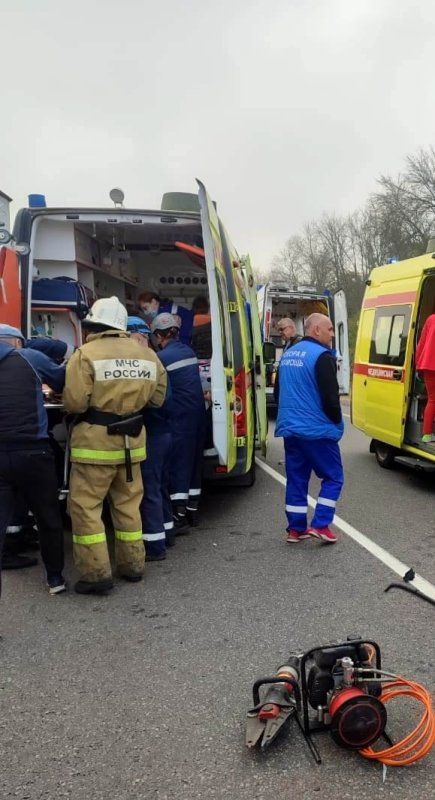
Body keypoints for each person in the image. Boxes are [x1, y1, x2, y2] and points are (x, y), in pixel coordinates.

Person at [63, 297, 167, 595]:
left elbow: (74, 402)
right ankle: (132, 566)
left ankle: (96, 575)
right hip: (132, 445)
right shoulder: (148, 355)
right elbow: (158, 399)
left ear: (95, 324)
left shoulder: (85, 354)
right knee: (128, 506)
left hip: (93, 445)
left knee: (86, 508)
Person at [0, 324, 66, 595]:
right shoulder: (29, 357)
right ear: (17, 342)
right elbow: (62, 380)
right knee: (48, 515)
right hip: (32, 451)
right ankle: (55, 579)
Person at [275, 313, 344, 545]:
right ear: (316, 330)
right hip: (316, 430)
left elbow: (278, 393)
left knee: (296, 479)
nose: (332, 334)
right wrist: (336, 422)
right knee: (333, 477)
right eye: (330, 329)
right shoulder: (322, 356)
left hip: (290, 429)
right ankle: (321, 524)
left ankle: (296, 529)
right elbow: (331, 397)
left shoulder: (288, 355)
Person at [151, 312, 206, 530]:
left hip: (179, 417)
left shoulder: (161, 358)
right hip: (197, 415)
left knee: (178, 464)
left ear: (158, 335)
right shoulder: (188, 352)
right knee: (194, 462)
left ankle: (179, 514)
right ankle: (193, 509)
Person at [127, 316, 174, 561]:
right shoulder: (155, 359)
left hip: (152, 433)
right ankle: (167, 534)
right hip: (164, 432)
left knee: (149, 490)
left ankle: (155, 546)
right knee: (161, 487)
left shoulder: (142, 362)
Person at [273, 318, 303, 405]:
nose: (280, 332)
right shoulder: (288, 344)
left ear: (291, 327)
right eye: (279, 330)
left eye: (282, 329)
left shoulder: (300, 343)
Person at [416, 313, 435, 443]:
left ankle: (427, 435)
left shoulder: (430, 319)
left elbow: (421, 344)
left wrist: (418, 365)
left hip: (428, 365)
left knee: (432, 400)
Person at [191, 295, 212, 359]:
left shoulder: (193, 320)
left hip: (198, 357)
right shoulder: (213, 320)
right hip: (212, 356)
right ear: (207, 307)